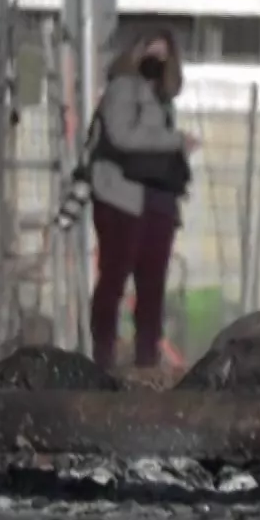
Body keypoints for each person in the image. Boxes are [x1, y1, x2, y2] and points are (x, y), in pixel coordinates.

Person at [80, 30, 197, 370]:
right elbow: (122, 135)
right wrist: (175, 141)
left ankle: (146, 358)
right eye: (151, 52)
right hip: (121, 195)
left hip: (158, 198)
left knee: (153, 283)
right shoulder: (123, 88)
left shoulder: (163, 100)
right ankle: (103, 356)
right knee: (115, 275)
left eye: (164, 56)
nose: (156, 62)